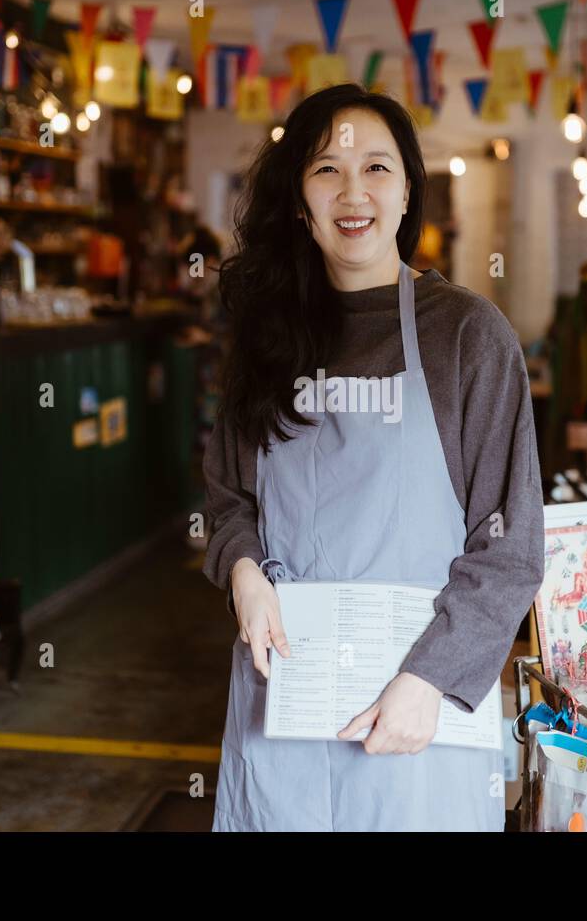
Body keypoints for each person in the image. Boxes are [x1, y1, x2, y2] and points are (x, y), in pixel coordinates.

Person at [203, 83, 544, 832]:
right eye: (327, 169)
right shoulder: (266, 339)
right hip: (285, 695)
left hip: (418, 715)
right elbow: (228, 500)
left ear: (408, 190)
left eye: (377, 168)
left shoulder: (468, 337)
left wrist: (430, 679)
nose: (352, 192)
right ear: (299, 199)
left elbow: (510, 544)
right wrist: (243, 573)